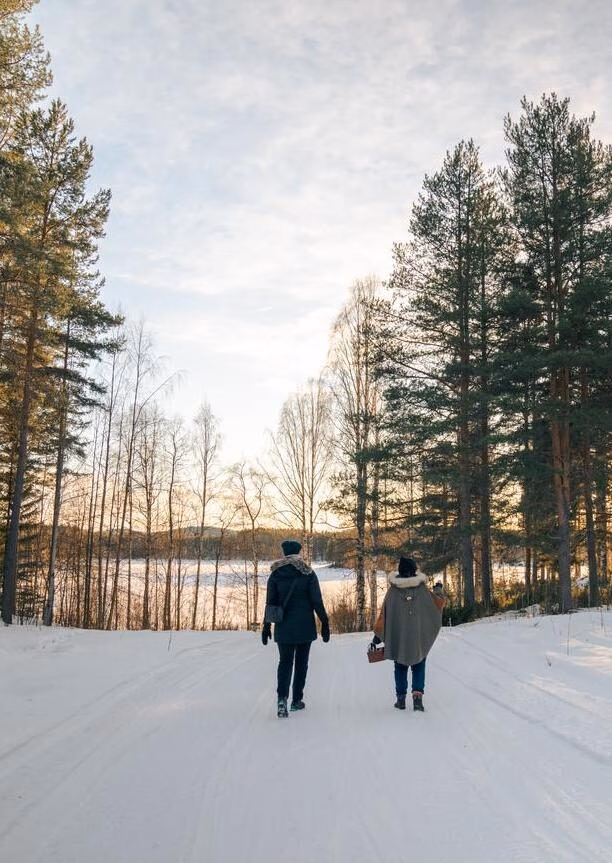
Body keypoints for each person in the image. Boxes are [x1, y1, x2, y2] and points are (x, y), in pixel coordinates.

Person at [261, 540, 330, 718]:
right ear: (298, 553)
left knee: (284, 662)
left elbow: (271, 603)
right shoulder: (308, 573)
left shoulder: (275, 574)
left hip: (283, 627)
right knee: (301, 664)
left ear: (284, 553)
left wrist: (266, 626)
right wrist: (325, 622)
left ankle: (282, 699)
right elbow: (317, 601)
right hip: (305, 626)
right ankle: (296, 700)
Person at [371, 556, 445, 712]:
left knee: (400, 666)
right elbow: (438, 603)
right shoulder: (422, 590)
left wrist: (377, 637)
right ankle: (417, 698)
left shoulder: (393, 592)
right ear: (413, 570)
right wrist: (438, 588)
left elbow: (384, 616)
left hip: (400, 639)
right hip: (418, 638)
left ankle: (401, 699)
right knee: (419, 665)